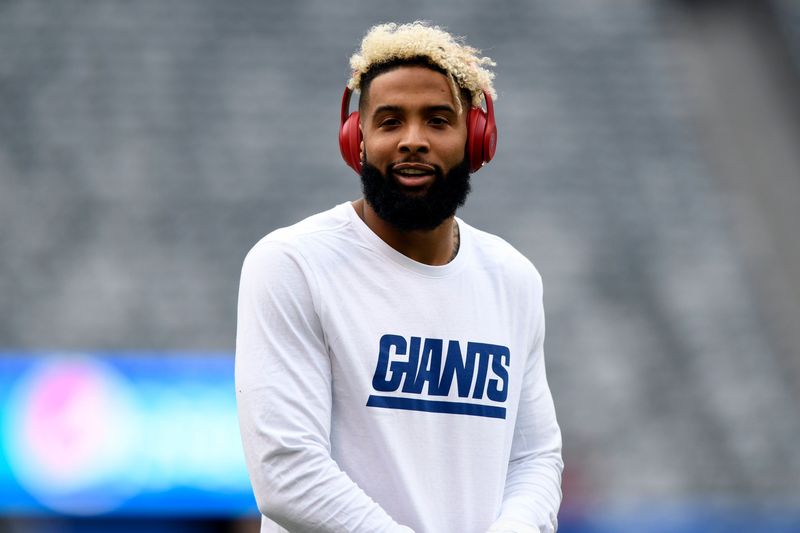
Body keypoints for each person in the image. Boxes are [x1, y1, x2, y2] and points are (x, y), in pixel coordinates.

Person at [236, 21, 563, 533]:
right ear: (357, 140)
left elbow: (535, 458)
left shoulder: (513, 278)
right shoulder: (292, 263)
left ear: (477, 139)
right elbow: (286, 471)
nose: (414, 140)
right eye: (390, 122)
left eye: (437, 120)